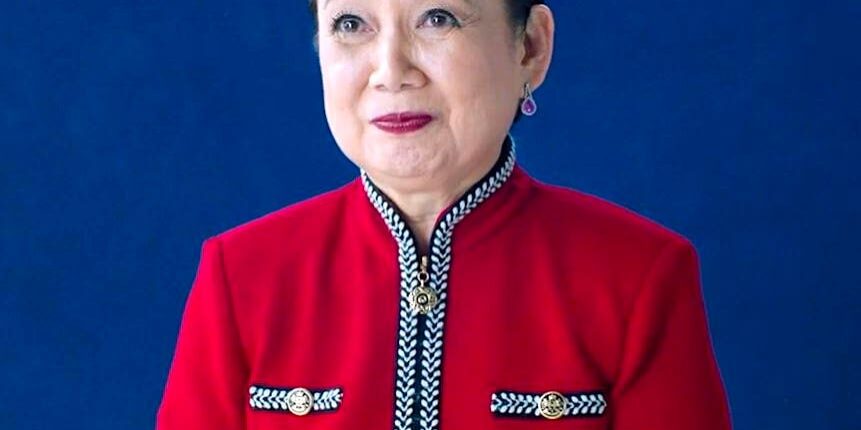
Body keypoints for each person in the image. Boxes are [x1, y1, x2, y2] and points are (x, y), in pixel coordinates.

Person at [156, 0, 732, 429]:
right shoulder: (242, 274)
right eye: (351, 24)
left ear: (530, 47)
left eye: (437, 18)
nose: (391, 70)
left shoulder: (637, 276)